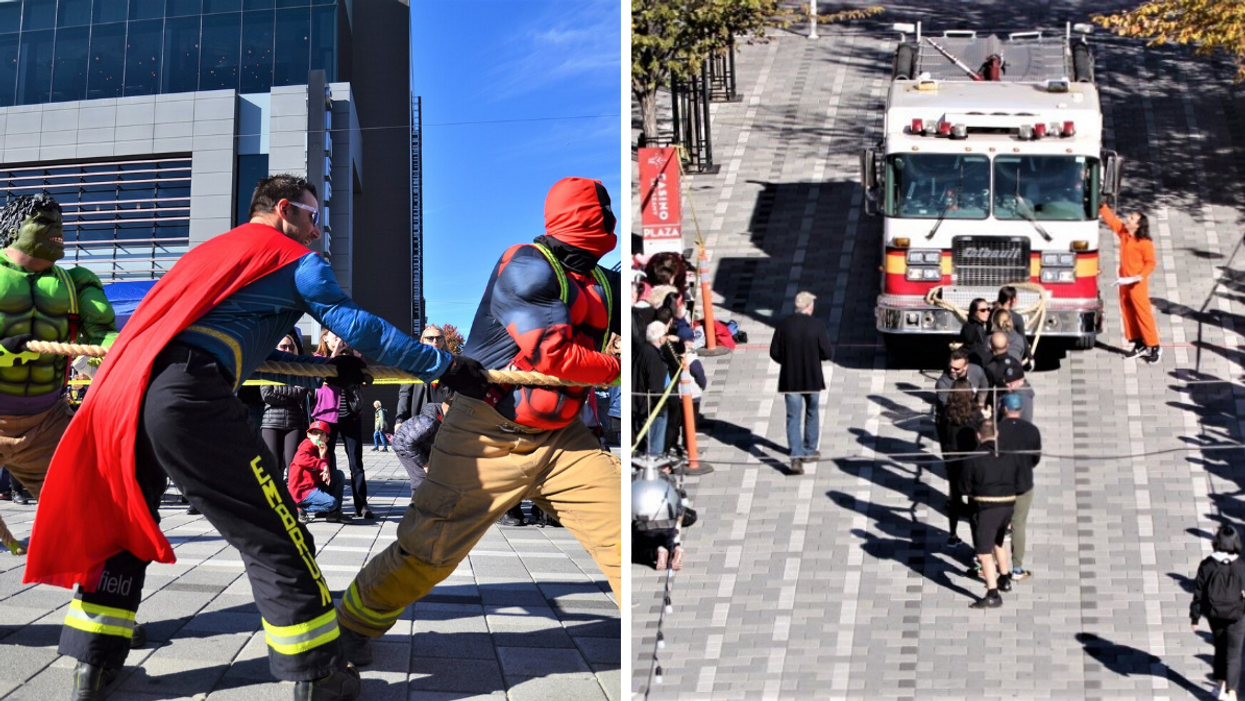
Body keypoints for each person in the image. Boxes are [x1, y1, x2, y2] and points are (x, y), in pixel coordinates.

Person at [24, 174, 489, 701]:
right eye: (315, 218)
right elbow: (360, 327)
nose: (320, 233)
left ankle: (93, 663)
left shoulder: (210, 254)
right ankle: (317, 673)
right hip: (186, 396)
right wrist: (444, 366)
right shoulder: (292, 258)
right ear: (285, 210)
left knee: (122, 522)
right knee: (278, 535)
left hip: (121, 393)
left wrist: (325, 370)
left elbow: (234, 343)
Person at [333, 176, 621, 666]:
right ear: (591, 220)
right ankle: (348, 629)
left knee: (624, 531)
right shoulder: (526, 264)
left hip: (563, 440)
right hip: (484, 433)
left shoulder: (604, 283)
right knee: (426, 553)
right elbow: (551, 356)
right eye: (606, 211)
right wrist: (616, 367)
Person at [0, 192, 118, 507]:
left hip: (47, 423)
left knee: (84, 512)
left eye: (60, 221)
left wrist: (134, 352)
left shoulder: (77, 282)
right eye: (44, 220)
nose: (58, 228)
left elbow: (104, 335)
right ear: (13, 230)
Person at [958, 420, 1025, 609]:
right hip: (1008, 506)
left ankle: (992, 593)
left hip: (988, 508)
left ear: (978, 436)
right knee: (998, 542)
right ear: (996, 434)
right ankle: (1004, 578)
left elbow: (964, 487)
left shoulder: (973, 458)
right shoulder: (1009, 455)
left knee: (984, 553)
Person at [769, 290, 832, 476]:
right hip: (812, 379)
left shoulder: (783, 325)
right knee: (812, 413)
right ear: (808, 307)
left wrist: (787, 361)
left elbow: (774, 352)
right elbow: (827, 353)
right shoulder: (817, 325)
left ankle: (795, 456)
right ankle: (810, 450)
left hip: (791, 380)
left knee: (793, 418)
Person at [314, 331, 372, 519]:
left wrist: (354, 357)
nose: (340, 340)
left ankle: (361, 505)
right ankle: (327, 504)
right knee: (325, 462)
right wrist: (335, 355)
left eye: (342, 337)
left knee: (356, 463)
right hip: (326, 418)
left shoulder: (354, 358)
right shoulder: (317, 359)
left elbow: (365, 379)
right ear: (324, 338)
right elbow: (320, 379)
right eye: (335, 336)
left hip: (351, 416)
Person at [1100, 202, 1161, 363]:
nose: (1128, 219)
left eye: (1132, 218)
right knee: (1127, 310)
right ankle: (1138, 342)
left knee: (1142, 313)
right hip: (1125, 281)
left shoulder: (1144, 243)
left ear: (1138, 225)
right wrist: (1101, 207)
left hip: (1136, 283)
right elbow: (1112, 221)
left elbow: (1151, 262)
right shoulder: (1125, 234)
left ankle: (1153, 345)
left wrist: (1139, 276)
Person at [1192, 525, 1245, 700]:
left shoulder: (1207, 564)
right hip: (1237, 614)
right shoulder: (1241, 566)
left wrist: (1195, 616)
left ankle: (1220, 685)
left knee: (1221, 647)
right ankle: (1231, 691)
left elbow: (1198, 592)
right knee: (1234, 653)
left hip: (1214, 614)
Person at [997, 392, 1041, 581]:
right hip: (1023, 483)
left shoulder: (996, 429)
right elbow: (1035, 458)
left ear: (1004, 409)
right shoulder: (1031, 430)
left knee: (996, 525)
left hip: (999, 484)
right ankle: (1017, 568)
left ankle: (990, 562)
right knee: (1019, 524)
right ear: (1020, 409)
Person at [939, 378, 983, 549]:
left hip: (952, 460)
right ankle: (977, 543)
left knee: (955, 499)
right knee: (973, 502)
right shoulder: (975, 415)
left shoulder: (946, 414)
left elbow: (942, 436)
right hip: (971, 462)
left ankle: (952, 534)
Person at [261, 333, 310, 481]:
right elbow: (266, 395)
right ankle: (273, 502)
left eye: (290, 347)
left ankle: (293, 501)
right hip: (271, 422)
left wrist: (278, 389)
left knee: (294, 466)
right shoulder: (268, 367)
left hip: (294, 423)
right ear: (276, 348)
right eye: (284, 346)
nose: (287, 349)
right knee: (272, 466)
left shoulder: (300, 369)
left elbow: (302, 393)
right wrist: (292, 394)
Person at [392, 395, 451, 495]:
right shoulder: (428, 424)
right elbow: (409, 444)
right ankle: (416, 507)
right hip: (403, 446)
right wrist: (424, 464)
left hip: (420, 445)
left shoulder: (442, 417)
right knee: (421, 479)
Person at [288, 420, 345, 523]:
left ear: (327, 439)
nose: (318, 436)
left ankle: (334, 514)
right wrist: (322, 465)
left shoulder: (325, 454)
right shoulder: (306, 445)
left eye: (322, 434)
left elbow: (320, 472)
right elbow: (300, 459)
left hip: (314, 486)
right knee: (331, 503)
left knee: (338, 475)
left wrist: (322, 457)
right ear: (309, 435)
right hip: (301, 490)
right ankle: (298, 508)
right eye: (315, 433)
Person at [395, 325, 451, 423]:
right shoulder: (413, 364)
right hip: (419, 420)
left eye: (439, 338)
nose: (435, 341)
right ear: (423, 341)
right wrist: (400, 420)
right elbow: (405, 394)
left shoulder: (452, 364)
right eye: (430, 338)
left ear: (443, 341)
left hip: (445, 421)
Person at [635, 321, 671, 456]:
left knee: (648, 442)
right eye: (666, 334)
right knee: (655, 445)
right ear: (661, 338)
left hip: (641, 404)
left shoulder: (641, 350)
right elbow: (655, 386)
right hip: (653, 408)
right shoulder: (655, 358)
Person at [983, 332, 1035, 423]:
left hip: (1005, 408)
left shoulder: (991, 368)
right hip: (1025, 404)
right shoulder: (1016, 362)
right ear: (1007, 345)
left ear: (990, 346)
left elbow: (990, 392)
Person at [958, 298, 992, 366]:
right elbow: (982, 349)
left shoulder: (967, 325)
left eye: (988, 309)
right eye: (983, 310)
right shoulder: (978, 329)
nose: (987, 312)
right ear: (974, 312)